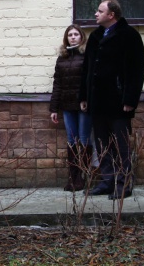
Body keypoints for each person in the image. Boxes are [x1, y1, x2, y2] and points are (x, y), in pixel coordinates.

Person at [79, 0, 144, 200]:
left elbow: (136, 70)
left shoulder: (129, 35)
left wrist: (130, 99)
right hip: (97, 102)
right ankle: (107, 181)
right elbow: (87, 69)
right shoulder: (95, 36)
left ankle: (124, 184)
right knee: (102, 144)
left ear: (111, 14)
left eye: (100, 11)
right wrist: (84, 96)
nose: (96, 14)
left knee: (121, 145)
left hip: (118, 102)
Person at [50, 24, 94, 192]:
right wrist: (54, 109)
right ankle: (73, 177)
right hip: (67, 105)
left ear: (81, 37)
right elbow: (57, 84)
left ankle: (83, 176)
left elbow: (90, 81)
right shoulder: (62, 58)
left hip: (83, 105)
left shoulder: (87, 55)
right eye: (70, 35)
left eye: (76, 34)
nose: (73, 37)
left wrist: (86, 99)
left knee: (84, 139)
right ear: (66, 38)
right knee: (71, 140)